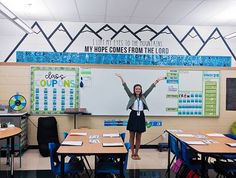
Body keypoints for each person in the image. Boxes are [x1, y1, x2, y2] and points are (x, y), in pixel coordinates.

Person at [116, 74, 165, 160]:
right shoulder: (131, 96)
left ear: (141, 90)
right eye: (136, 89)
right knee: (131, 136)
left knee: (139, 136)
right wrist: (121, 78)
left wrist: (157, 80)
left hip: (141, 116)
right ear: (134, 90)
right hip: (133, 116)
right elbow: (125, 87)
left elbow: (150, 89)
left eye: (139, 89)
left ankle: (136, 153)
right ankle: (132, 153)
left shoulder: (143, 96)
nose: (138, 90)